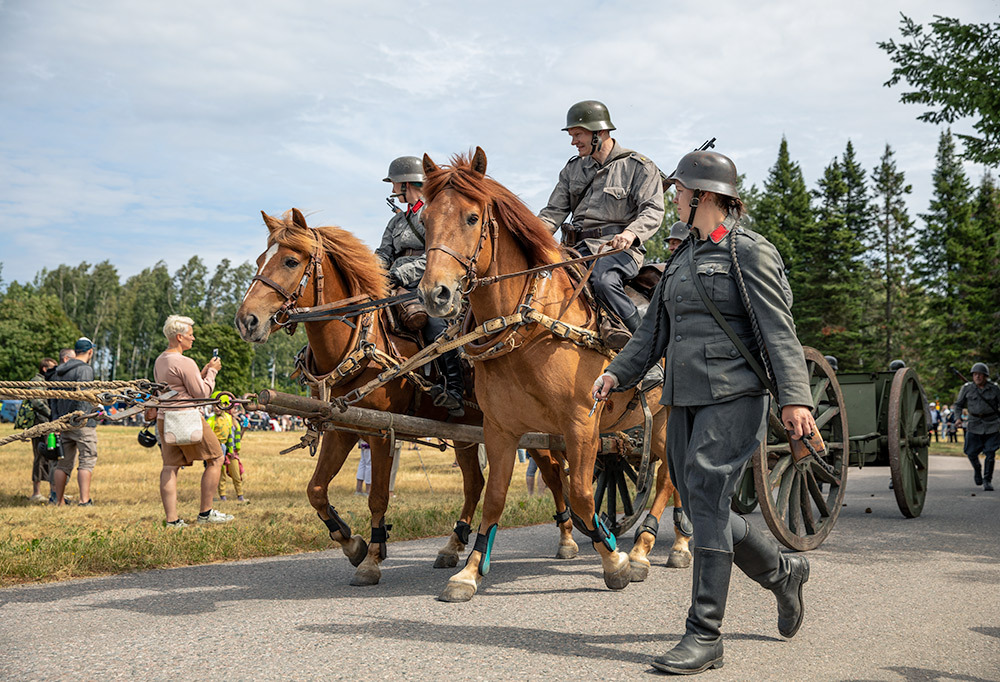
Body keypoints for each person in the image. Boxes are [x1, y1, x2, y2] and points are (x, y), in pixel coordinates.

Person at [593, 149, 815, 674]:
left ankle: (704, 634)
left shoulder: (749, 252)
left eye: (682, 189)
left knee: (709, 497)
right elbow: (652, 333)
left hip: (735, 395)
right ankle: (783, 572)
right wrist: (616, 373)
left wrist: (796, 397)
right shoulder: (681, 260)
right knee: (702, 506)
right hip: (684, 395)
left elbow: (778, 331)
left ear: (707, 196)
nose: (675, 195)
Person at [538, 100, 665, 333]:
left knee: (603, 280)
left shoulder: (638, 167)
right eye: (572, 134)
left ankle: (643, 348)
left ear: (600, 132)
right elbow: (553, 213)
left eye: (578, 134)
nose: (573, 141)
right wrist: (529, 236)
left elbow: (653, 210)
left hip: (617, 250)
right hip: (575, 250)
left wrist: (630, 233)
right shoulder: (572, 169)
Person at [375, 156, 466, 416]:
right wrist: (373, 271)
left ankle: (455, 391)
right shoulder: (396, 221)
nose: (392, 190)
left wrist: (400, 274)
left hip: (428, 282)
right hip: (395, 284)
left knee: (437, 326)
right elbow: (383, 252)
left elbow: (434, 257)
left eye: (394, 184)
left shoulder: (434, 214)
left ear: (406, 184)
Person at [153, 315, 233, 527]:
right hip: (187, 416)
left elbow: (180, 385)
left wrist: (203, 371)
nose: (193, 338)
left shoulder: (161, 360)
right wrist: (213, 372)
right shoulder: (185, 361)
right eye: (190, 334)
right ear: (179, 337)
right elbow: (202, 393)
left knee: (170, 466)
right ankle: (206, 513)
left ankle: (172, 520)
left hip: (165, 418)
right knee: (216, 457)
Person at [51, 338, 99, 507]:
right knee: (87, 459)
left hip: (63, 422)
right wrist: (83, 416)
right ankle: (84, 501)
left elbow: (54, 399)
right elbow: (83, 397)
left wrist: (58, 419)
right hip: (82, 423)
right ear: (90, 352)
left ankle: (59, 501)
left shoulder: (59, 371)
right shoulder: (85, 370)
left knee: (63, 463)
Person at [953, 362, 1000, 491]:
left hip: (992, 424)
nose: (977, 376)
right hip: (973, 423)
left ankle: (987, 480)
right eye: (975, 374)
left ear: (986, 376)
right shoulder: (967, 388)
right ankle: (977, 469)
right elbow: (958, 405)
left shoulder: (995, 388)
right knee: (970, 452)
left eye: (980, 374)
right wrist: (957, 418)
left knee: (990, 453)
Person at [28, 358, 57, 503]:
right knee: (40, 457)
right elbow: (37, 402)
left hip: (49, 424)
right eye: (53, 368)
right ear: (45, 369)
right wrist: (52, 414)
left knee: (53, 456)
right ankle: (36, 493)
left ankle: (55, 491)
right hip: (40, 424)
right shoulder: (37, 381)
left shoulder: (49, 382)